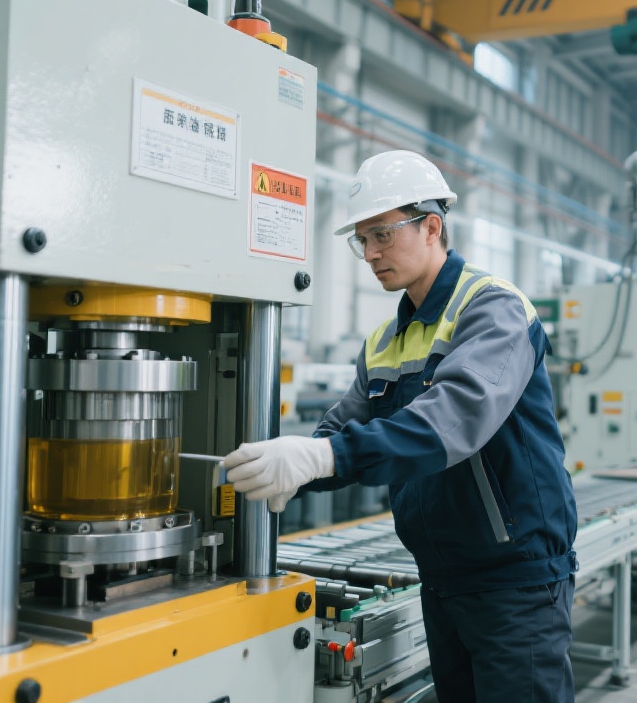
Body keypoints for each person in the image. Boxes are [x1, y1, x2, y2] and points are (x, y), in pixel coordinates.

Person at [221, 150, 579, 702]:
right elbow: (342, 432)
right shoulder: (385, 341)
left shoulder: (492, 308)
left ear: (432, 225)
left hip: (517, 581)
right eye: (361, 240)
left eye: (382, 235)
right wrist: (287, 466)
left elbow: (450, 423)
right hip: (441, 576)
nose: (370, 254)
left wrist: (322, 459)